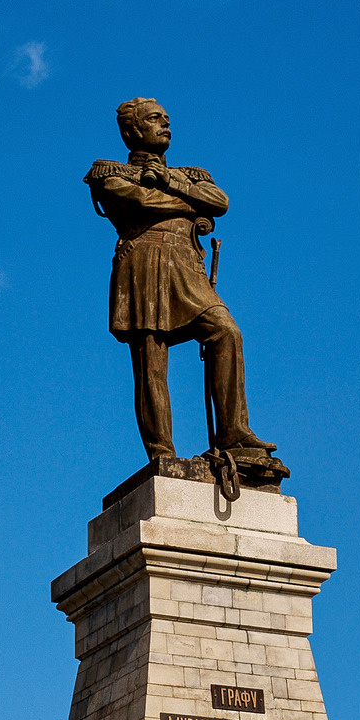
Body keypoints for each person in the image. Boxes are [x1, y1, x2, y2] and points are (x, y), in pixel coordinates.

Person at [85, 98, 276, 466]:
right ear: (131, 131)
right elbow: (141, 201)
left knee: (226, 331)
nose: (165, 125)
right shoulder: (109, 173)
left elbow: (219, 202)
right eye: (155, 119)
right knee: (150, 364)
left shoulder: (190, 174)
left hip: (186, 267)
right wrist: (190, 202)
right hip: (142, 264)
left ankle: (234, 435)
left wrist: (172, 181)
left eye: (167, 120)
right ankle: (162, 455)